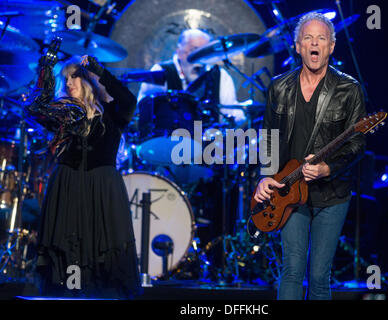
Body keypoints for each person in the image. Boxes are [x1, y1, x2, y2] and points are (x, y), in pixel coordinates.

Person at [253, 12, 366, 300]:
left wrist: (328, 168)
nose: (314, 43)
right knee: (291, 269)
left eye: (321, 38)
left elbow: (357, 145)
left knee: (318, 276)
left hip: (332, 194)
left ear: (331, 45)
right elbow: (267, 137)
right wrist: (265, 176)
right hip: (289, 190)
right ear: (298, 45)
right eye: (308, 38)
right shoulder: (279, 87)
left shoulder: (349, 89)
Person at [25, 45, 141, 298]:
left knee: (104, 247)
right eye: (64, 78)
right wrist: (45, 69)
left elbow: (129, 100)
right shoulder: (61, 116)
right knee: (67, 246)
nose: (68, 82)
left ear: (87, 79)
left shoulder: (112, 115)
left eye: (73, 75)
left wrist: (100, 71)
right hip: (67, 184)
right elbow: (33, 109)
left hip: (103, 187)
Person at [137, 28, 245, 122]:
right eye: (195, 50)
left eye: (205, 51)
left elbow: (229, 114)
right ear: (179, 52)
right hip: (169, 141)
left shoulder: (220, 76)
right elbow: (144, 112)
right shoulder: (160, 71)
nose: (200, 57)